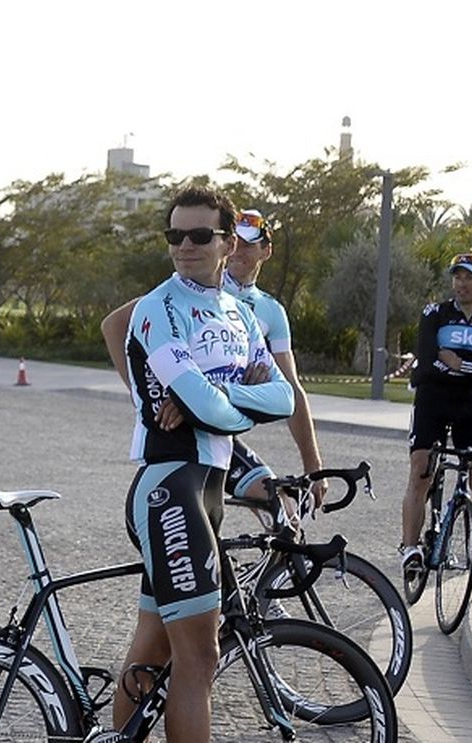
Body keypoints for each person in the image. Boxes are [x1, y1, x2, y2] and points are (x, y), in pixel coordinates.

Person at [111, 186, 293, 741]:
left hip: (209, 488)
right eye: (175, 235)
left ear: (226, 240)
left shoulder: (239, 313)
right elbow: (205, 400)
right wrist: (222, 396)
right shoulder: (158, 308)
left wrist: (207, 401)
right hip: (171, 487)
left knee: (154, 650)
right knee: (201, 658)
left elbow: (283, 398)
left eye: (198, 235)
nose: (184, 246)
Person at [101, 209, 328, 516]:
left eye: (251, 245)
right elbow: (115, 325)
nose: (241, 253)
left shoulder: (270, 310)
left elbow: (290, 390)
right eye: (240, 243)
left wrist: (313, 466)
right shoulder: (195, 283)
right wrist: (149, 393)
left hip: (225, 430)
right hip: (190, 436)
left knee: (283, 509)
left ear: (266, 251)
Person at [400, 252, 472, 591]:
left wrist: (460, 365)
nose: (462, 283)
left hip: (467, 403)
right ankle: (410, 548)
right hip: (431, 400)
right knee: (421, 469)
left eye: (469, 277)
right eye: (457, 277)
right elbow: (427, 364)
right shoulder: (435, 313)